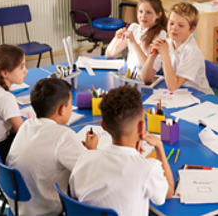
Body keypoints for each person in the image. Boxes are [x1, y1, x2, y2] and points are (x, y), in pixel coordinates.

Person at [69, 85, 174, 216]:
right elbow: (169, 192)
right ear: (142, 126)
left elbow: (73, 194)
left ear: (103, 126)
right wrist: (159, 147)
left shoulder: (85, 158)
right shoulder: (148, 169)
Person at [6, 78, 98, 216]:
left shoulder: (27, 125)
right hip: (45, 210)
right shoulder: (63, 136)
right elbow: (90, 172)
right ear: (62, 109)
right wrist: (91, 151)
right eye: (70, 103)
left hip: (17, 206)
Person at [140, 2, 213, 94]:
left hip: (200, 96)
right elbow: (145, 78)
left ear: (192, 29)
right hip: (180, 93)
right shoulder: (167, 43)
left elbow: (172, 86)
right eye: (171, 23)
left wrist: (165, 54)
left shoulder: (192, 51)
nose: (174, 28)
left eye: (181, 25)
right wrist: (152, 55)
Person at [105, 0, 167, 70]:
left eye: (148, 12)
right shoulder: (133, 27)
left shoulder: (160, 33)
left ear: (158, 15)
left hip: (145, 77)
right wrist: (116, 38)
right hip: (130, 74)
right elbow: (109, 54)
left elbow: (150, 69)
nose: (143, 16)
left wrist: (133, 42)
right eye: (140, 11)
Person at [0, 44, 27, 162]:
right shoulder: (5, 98)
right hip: (0, 149)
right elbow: (22, 132)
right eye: (21, 67)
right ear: (5, 73)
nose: (26, 71)